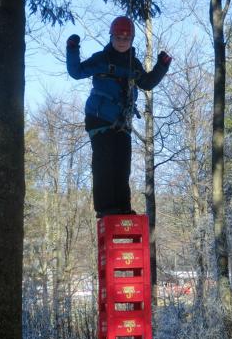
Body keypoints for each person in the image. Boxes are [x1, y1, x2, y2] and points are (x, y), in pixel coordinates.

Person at [66, 16, 172, 217]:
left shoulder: (134, 64)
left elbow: (147, 83)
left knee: (123, 165)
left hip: (122, 122)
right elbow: (76, 72)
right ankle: (106, 208)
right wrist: (72, 49)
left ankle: (123, 208)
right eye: (118, 38)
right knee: (105, 162)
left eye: (126, 38)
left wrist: (162, 66)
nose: (122, 42)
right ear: (111, 37)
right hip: (99, 117)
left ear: (131, 40)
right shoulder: (101, 59)